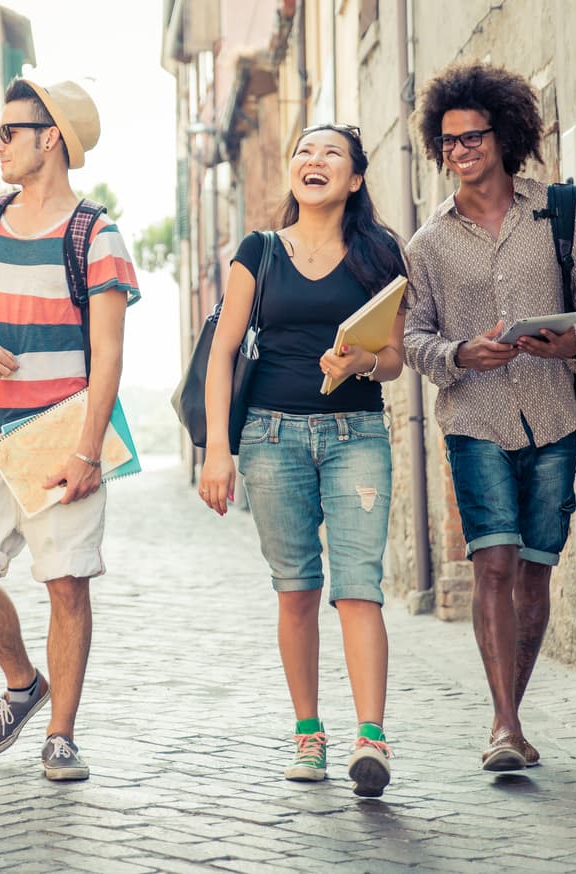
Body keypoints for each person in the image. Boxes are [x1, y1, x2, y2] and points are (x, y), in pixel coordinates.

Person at [404, 62, 576, 771]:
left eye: (473, 137)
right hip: (474, 418)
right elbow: (413, 338)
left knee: (534, 572)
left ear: (504, 135)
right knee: (491, 561)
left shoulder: (556, 211)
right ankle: (503, 725)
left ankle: (511, 715)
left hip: (552, 414)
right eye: (448, 141)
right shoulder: (427, 243)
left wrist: (573, 342)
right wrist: (461, 353)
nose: (460, 151)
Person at [0, 79, 139, 782]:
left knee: (65, 585)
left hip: (59, 435)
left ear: (50, 137)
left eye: (8, 133)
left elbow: (108, 354)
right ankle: (23, 683)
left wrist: (87, 449)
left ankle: (60, 733)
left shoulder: (96, 235)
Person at [198, 124, 408, 798]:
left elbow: (397, 360)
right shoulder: (257, 252)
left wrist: (360, 362)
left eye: (330, 154)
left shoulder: (379, 254)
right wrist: (217, 451)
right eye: (303, 152)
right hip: (270, 438)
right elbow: (223, 353)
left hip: (357, 436)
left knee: (358, 587)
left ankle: (371, 739)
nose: (312, 161)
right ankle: (309, 735)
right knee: (296, 590)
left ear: (354, 179)